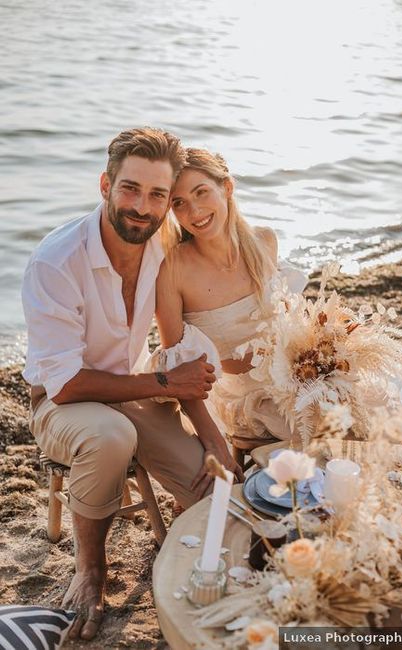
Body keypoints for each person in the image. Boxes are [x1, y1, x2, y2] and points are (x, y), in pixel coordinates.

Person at [21, 129, 241, 641]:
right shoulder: (57, 261)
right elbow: (69, 383)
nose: (143, 207)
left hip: (135, 387)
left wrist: (208, 432)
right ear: (105, 184)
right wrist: (164, 380)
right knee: (109, 436)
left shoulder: (163, 243)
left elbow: (178, 342)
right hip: (61, 401)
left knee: (211, 491)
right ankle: (91, 569)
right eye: (131, 189)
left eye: (158, 195)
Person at [151, 148, 308, 462]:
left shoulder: (264, 241)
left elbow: (290, 321)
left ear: (227, 187)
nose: (194, 212)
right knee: (319, 437)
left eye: (201, 192)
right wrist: (210, 439)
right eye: (178, 203)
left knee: (359, 413)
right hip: (240, 398)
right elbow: (179, 368)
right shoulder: (172, 271)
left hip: (294, 379)